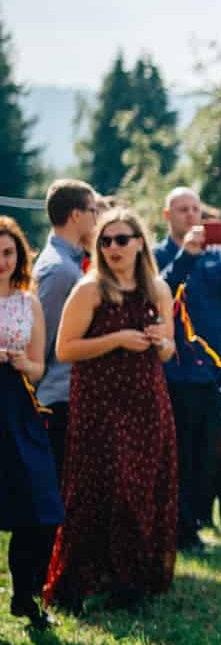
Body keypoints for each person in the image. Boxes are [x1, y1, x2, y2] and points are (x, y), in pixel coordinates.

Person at [43, 207, 179, 613]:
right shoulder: (89, 289)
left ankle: (132, 581)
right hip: (99, 403)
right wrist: (117, 338)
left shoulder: (157, 289)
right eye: (106, 241)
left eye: (122, 239)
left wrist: (160, 342)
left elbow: (170, 350)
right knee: (102, 489)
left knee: (141, 487)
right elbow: (64, 349)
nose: (114, 248)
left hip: (146, 400)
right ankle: (82, 581)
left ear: (140, 242)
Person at [155, 186, 221, 554]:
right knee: (176, 453)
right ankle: (175, 529)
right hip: (175, 371)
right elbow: (160, 290)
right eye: (182, 209)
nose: (191, 216)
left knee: (207, 454)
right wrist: (186, 256)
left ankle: (193, 525)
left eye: (196, 209)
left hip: (213, 371)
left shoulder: (216, 258)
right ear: (168, 216)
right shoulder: (158, 255)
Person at [0, 216, 62, 630]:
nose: (0, 261)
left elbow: (40, 367)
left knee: (41, 506)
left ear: (19, 255)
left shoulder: (29, 302)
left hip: (18, 404)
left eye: (7, 253)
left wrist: (24, 362)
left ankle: (26, 595)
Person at [30, 179, 98, 477]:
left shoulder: (71, 262)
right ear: (76, 215)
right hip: (57, 397)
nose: (97, 219)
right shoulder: (59, 270)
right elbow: (42, 338)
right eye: (93, 211)